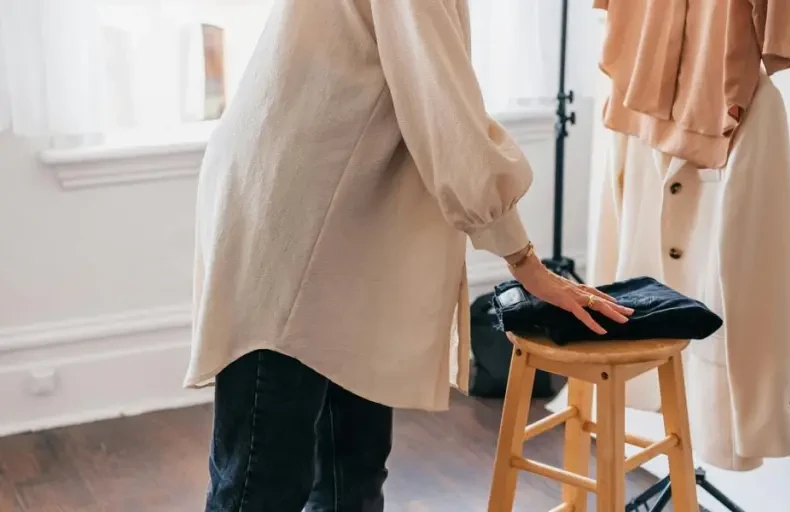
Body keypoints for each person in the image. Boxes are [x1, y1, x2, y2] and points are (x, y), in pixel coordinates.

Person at [183, 1, 633, 510]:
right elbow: (444, 112)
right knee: (261, 478)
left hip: (343, 220)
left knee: (351, 470)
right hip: (291, 218)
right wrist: (524, 260)